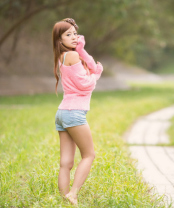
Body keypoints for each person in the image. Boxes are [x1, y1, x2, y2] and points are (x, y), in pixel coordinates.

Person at [52, 18, 103, 206]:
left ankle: (64, 199)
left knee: (66, 162)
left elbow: (86, 69)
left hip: (62, 113)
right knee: (89, 155)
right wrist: (96, 74)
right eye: (68, 34)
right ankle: (73, 194)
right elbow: (85, 85)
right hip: (74, 112)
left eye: (75, 33)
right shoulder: (72, 57)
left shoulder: (63, 56)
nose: (74, 37)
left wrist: (81, 49)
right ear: (59, 40)